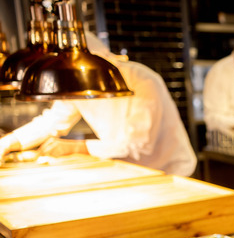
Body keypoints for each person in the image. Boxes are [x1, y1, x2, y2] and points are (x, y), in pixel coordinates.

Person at [0, 31, 197, 176]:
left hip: (172, 172)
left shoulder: (143, 80)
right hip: (129, 172)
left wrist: (75, 147)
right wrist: (6, 143)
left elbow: (138, 146)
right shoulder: (77, 86)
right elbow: (52, 121)